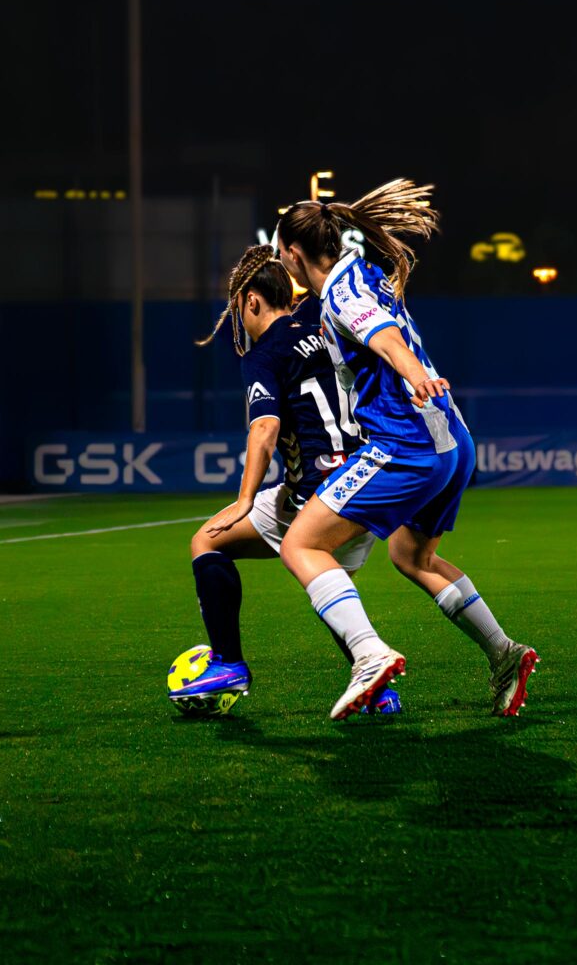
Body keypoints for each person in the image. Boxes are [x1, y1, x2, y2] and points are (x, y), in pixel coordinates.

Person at [277, 179, 539, 720]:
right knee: (411, 556)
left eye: (282, 255)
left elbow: (385, 338)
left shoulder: (341, 292)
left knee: (301, 546)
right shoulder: (363, 271)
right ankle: (504, 653)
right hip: (451, 440)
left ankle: (368, 654)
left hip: (408, 442)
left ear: (294, 253)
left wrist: (414, 373)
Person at [168, 244, 400, 714]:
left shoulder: (263, 354)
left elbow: (266, 427)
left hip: (317, 498)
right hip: (366, 483)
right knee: (331, 587)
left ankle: (228, 663)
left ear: (251, 302)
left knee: (208, 541)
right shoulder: (324, 326)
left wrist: (244, 498)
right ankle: (380, 693)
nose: (240, 321)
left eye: (238, 311)